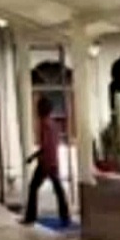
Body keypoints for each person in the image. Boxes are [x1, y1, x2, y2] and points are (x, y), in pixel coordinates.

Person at [21, 96, 70, 227]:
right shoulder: (53, 124)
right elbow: (52, 145)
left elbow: (46, 146)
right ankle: (65, 216)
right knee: (58, 189)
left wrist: (33, 157)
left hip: (45, 162)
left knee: (34, 188)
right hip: (53, 160)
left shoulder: (45, 124)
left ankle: (30, 217)